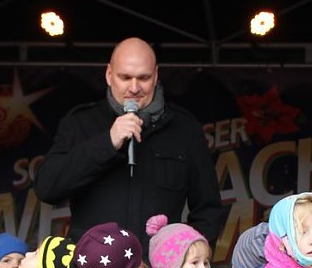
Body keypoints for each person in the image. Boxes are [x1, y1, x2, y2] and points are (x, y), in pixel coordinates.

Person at [33, 37, 225, 253]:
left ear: (156, 76)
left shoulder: (185, 128)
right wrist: (108, 142)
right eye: (125, 77)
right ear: (109, 75)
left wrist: (188, 258)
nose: (134, 88)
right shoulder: (80, 123)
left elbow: (208, 209)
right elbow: (46, 188)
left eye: (143, 78)